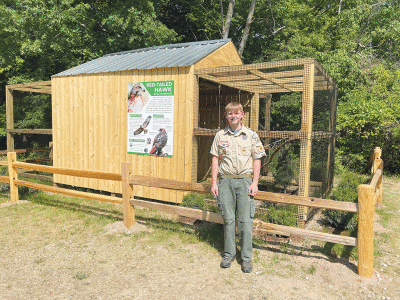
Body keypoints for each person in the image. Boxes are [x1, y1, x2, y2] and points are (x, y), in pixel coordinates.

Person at [210, 102, 266, 273]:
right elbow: (215, 159)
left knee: (245, 221)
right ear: (226, 116)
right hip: (225, 181)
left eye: (236, 113)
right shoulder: (220, 135)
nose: (233, 116)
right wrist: (214, 182)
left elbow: (257, 159)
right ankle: (229, 254)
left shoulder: (251, 135)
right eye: (229, 114)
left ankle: (246, 258)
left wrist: (255, 182)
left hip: (244, 182)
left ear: (242, 114)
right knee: (228, 219)